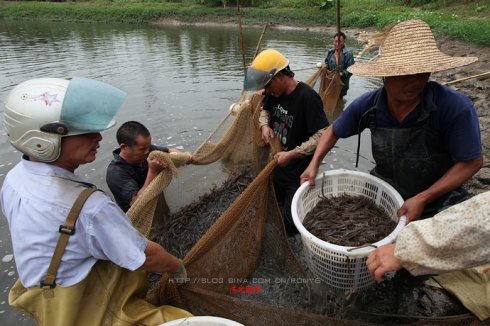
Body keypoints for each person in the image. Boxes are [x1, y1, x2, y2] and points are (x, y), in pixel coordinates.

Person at [0, 77, 192, 325]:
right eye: (84, 132)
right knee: (183, 320)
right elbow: (148, 256)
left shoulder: (14, 179)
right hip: (89, 306)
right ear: (43, 141)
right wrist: (178, 268)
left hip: (47, 300)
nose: (99, 137)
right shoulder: (90, 206)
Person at [301, 19, 483, 223]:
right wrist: (314, 163)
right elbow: (333, 130)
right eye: (404, 73)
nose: (415, 81)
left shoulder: (453, 107)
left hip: (439, 200)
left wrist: (423, 197)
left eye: (421, 71)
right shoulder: (367, 106)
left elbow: (472, 161)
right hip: (385, 190)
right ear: (385, 75)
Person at [244, 48, 329, 235]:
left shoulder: (307, 97)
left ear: (280, 76)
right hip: (277, 166)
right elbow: (265, 110)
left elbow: (323, 135)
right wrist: (264, 126)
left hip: (298, 173)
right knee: (275, 204)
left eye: (267, 85)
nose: (265, 91)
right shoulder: (273, 94)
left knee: (291, 225)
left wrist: (293, 154)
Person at [106, 120, 193, 212]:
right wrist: (153, 171)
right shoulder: (116, 173)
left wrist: (183, 156)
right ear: (124, 147)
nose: (148, 151)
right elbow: (136, 202)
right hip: (138, 219)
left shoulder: (146, 149)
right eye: (142, 149)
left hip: (157, 205)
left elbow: (169, 150)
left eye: (148, 147)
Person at [325, 31, 355, 98]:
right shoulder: (330, 52)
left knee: (338, 101)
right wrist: (325, 67)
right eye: (335, 41)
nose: (337, 44)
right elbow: (326, 62)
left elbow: (351, 70)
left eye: (340, 41)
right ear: (333, 41)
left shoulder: (348, 54)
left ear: (344, 41)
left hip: (341, 85)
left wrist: (341, 74)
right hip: (330, 82)